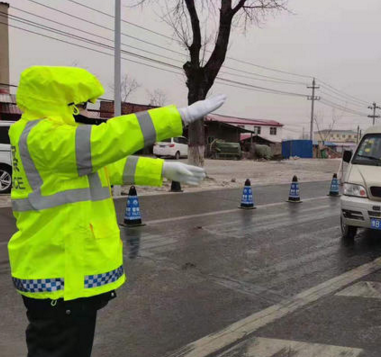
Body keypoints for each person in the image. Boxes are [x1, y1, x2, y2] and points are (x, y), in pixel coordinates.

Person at [8, 66, 226, 357]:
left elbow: (109, 164)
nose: (82, 109)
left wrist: (161, 168)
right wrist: (177, 117)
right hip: (59, 276)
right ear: (55, 100)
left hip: (62, 272)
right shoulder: (42, 137)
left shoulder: (56, 139)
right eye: (77, 103)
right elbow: (104, 141)